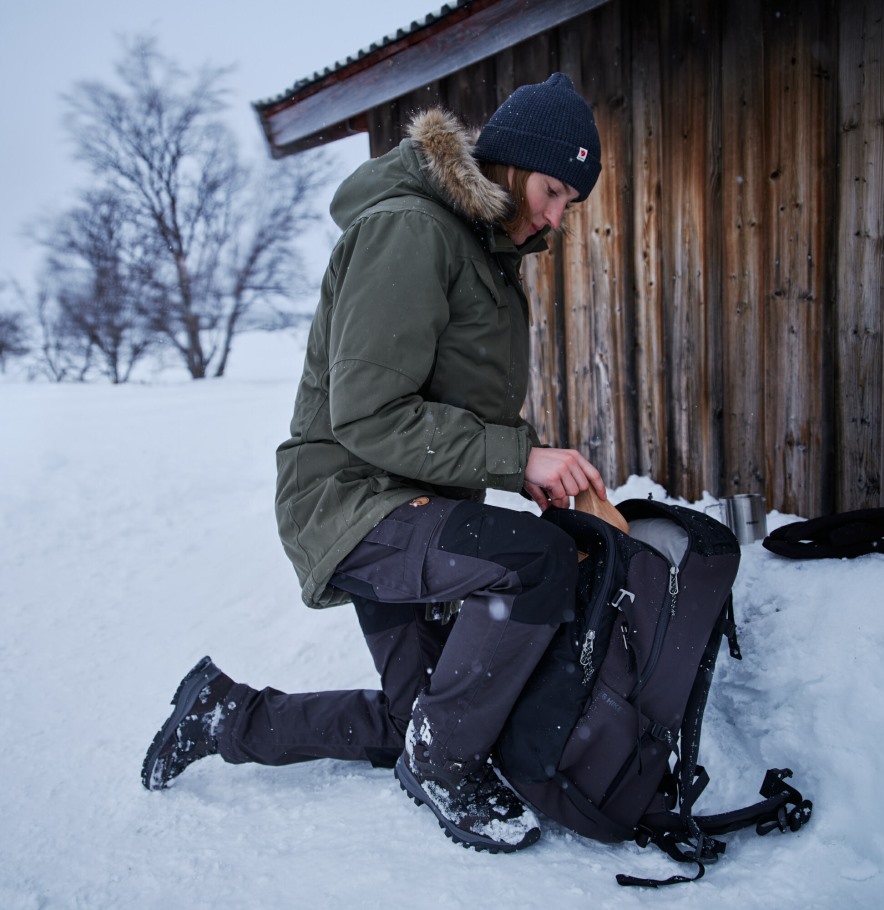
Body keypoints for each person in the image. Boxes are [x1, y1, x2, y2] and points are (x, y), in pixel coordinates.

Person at [142, 73, 612, 853]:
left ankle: (223, 715)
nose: (557, 216)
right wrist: (518, 458)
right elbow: (368, 413)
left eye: (571, 202)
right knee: (538, 567)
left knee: (419, 716)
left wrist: (530, 462)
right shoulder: (412, 231)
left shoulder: (478, 250)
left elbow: (457, 404)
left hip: (408, 501)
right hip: (354, 502)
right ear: (508, 164)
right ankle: (444, 765)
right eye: (553, 189)